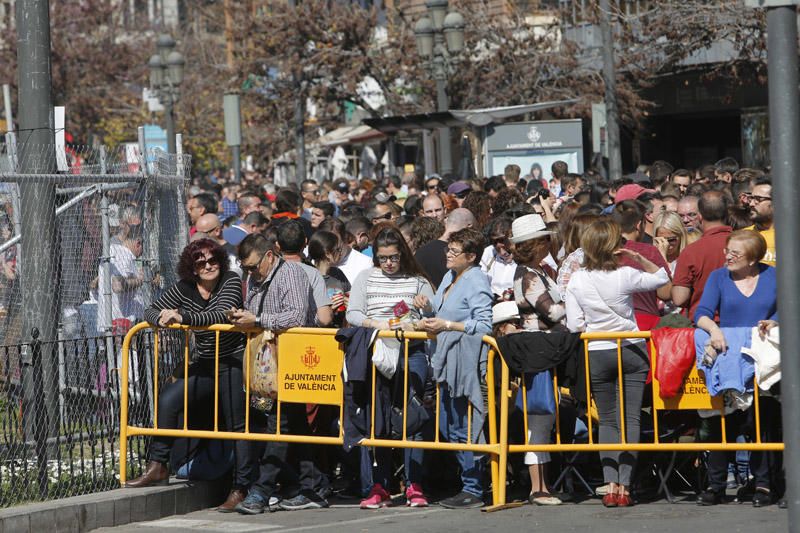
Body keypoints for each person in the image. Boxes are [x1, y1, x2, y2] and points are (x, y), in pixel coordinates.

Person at [125, 239, 254, 514]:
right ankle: (158, 465)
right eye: (201, 263)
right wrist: (161, 318)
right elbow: (151, 309)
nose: (208, 266)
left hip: (232, 362)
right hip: (205, 362)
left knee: (238, 426)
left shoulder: (230, 280)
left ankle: (241, 487)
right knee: (169, 399)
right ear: (192, 268)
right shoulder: (184, 287)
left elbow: (222, 314)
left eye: (212, 260)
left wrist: (181, 317)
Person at [565, 219, 670, 508]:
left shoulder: (577, 279)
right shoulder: (625, 274)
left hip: (597, 349)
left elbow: (574, 324)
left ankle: (609, 485)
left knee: (608, 421)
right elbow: (662, 278)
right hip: (632, 347)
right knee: (631, 418)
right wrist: (639, 257)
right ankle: (625, 486)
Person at [231, 233, 330, 514]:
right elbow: (255, 311)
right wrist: (243, 318)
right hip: (267, 364)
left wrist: (258, 320)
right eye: (245, 268)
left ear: (269, 256)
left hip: (292, 359)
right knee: (290, 424)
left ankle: (261, 492)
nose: (249, 273)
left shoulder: (291, 276)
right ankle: (311, 487)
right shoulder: (255, 278)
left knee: (280, 425)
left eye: (252, 267)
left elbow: (297, 316)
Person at [345, 226, 436, 509]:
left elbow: (431, 316)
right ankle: (379, 486)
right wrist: (379, 325)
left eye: (393, 257)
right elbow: (354, 313)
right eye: (383, 258)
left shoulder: (418, 280)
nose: (388, 263)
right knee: (378, 420)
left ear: (402, 254)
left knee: (414, 419)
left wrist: (426, 308)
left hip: (412, 353)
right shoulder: (365, 278)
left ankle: (414, 485)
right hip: (377, 352)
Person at [694, 230, 780, 507]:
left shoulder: (773, 276)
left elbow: (787, 308)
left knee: (762, 422)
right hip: (727, 356)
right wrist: (715, 330)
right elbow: (702, 313)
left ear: (754, 258)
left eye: (735, 253)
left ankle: (764, 484)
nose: (727, 256)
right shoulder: (718, 277)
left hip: (762, 359)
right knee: (722, 423)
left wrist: (774, 322)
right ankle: (716, 484)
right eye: (727, 250)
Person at [414, 227, 493, 509]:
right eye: (449, 248)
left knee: (463, 427)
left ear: (471, 256)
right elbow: (439, 311)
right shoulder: (450, 276)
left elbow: (484, 324)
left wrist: (449, 325)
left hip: (465, 363)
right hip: (445, 361)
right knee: (449, 427)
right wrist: (426, 308)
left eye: (455, 251)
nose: (448, 254)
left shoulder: (476, 280)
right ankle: (471, 482)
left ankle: (474, 486)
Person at [508, 214, 565, 506]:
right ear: (534, 244)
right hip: (536, 351)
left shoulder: (539, 271)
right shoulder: (528, 276)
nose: (549, 242)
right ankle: (538, 488)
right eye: (544, 238)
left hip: (544, 349)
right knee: (539, 418)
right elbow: (552, 313)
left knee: (544, 417)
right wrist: (576, 302)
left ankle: (543, 485)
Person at [671, 190, 732, 321]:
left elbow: (679, 298)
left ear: (699, 216)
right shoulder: (746, 243)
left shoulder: (691, 251)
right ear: (727, 213)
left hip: (703, 324)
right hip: (741, 323)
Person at [415, 208, 475, 290]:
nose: (449, 254)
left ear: (446, 222)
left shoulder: (420, 252)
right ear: (469, 226)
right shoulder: (463, 257)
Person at [479, 217, 516, 301]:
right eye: (495, 242)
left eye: (503, 241)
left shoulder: (527, 256)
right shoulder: (489, 252)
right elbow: (480, 282)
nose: (502, 253)